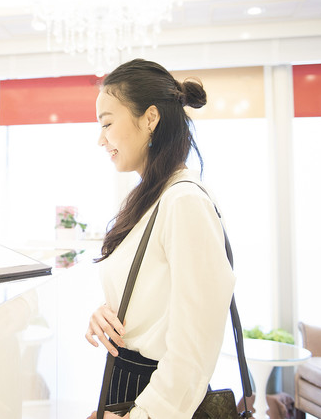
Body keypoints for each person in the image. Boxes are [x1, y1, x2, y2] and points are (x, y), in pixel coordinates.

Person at [84, 59, 235, 419]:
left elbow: (194, 344)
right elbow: (155, 296)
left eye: (107, 123)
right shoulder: (152, 198)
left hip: (154, 399)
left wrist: (144, 415)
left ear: (150, 118)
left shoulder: (183, 201)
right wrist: (108, 314)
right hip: (127, 382)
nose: (100, 139)